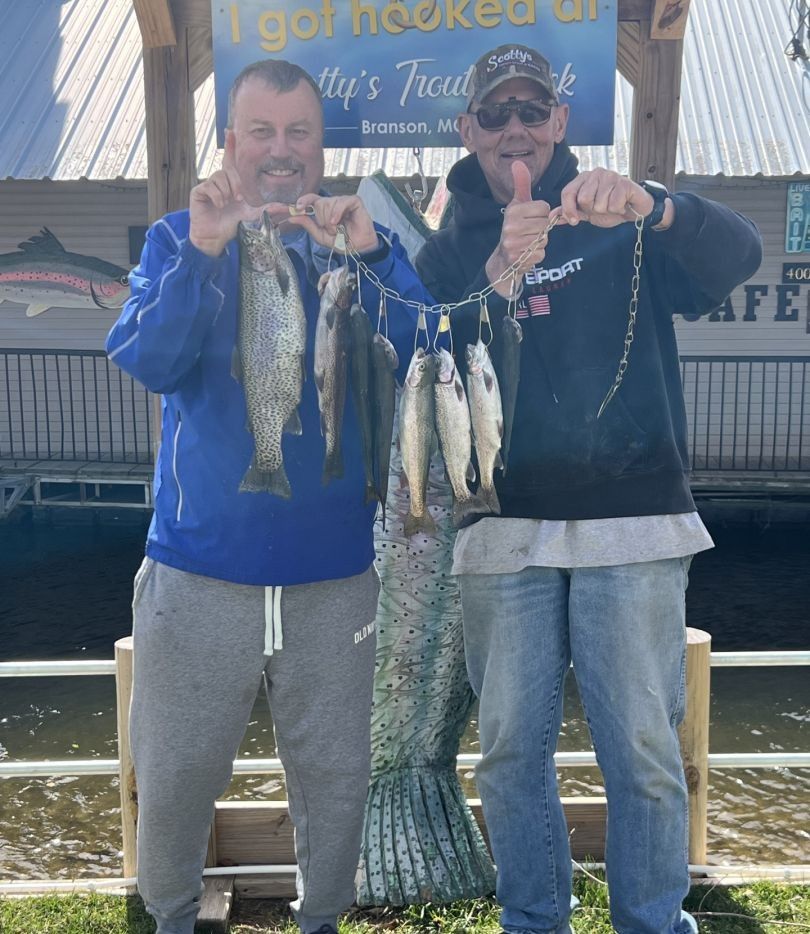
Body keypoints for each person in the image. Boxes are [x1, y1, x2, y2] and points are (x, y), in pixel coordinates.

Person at [415, 43, 762, 934]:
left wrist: (662, 205)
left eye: (534, 109)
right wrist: (498, 272)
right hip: (502, 528)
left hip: (637, 520)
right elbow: (426, 364)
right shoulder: (448, 239)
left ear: (561, 123)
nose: (516, 128)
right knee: (506, 756)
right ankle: (535, 920)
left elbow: (740, 257)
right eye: (496, 113)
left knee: (642, 749)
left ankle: (652, 921)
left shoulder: (618, 211)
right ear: (468, 130)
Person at [106, 59, 435, 934]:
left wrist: (371, 252)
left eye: (299, 133)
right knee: (173, 772)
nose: (281, 151)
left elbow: (423, 348)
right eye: (262, 130)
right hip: (197, 572)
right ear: (230, 141)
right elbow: (146, 360)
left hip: (334, 578)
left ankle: (321, 919)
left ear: (323, 149)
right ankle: (168, 917)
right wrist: (207, 250)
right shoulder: (181, 239)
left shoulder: (356, 247)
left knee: (334, 777)